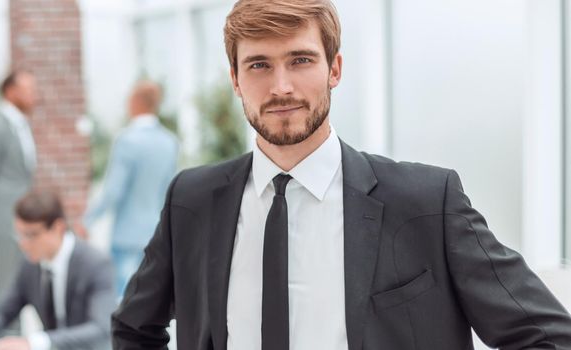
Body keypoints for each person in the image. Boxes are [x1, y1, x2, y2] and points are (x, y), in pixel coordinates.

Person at [111, 0, 571, 349]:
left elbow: (548, 336)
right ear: (235, 78)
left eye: (300, 60)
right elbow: (133, 328)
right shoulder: (191, 199)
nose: (281, 86)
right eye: (259, 65)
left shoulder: (428, 201)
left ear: (335, 68)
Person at [0, 191, 115, 350]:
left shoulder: (95, 264)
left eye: (31, 235)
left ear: (58, 227)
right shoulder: (29, 266)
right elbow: (4, 312)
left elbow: (101, 330)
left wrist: (33, 343)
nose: (23, 244)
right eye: (20, 235)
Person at [80, 80, 178, 297]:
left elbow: (113, 190)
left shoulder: (127, 140)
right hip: (156, 233)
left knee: (124, 301)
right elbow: (170, 191)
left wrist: (87, 220)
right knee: (151, 298)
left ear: (135, 103)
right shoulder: (169, 142)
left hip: (126, 237)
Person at [0, 70, 38, 301]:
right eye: (28, 90)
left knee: (21, 279)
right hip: (2, 218)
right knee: (5, 280)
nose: (34, 96)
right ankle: (6, 334)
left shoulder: (22, 126)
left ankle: (15, 331)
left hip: (22, 217)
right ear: (10, 92)